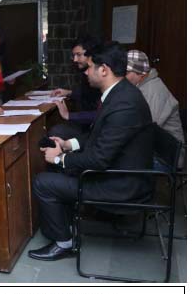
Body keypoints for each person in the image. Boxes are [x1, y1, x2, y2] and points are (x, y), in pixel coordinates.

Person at [28, 42, 153, 261]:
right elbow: (99, 136)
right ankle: (66, 227)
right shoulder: (120, 94)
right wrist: (68, 145)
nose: (85, 71)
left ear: (103, 70)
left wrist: (59, 158)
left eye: (89, 67)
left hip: (121, 184)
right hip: (120, 171)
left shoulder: (125, 104)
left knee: (42, 182)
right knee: (57, 171)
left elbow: (99, 159)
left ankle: (64, 242)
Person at [125, 50, 186, 168]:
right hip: (156, 149)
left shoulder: (154, 91)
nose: (122, 76)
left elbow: (145, 128)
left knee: (120, 163)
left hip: (168, 156)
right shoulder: (142, 86)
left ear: (140, 73)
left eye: (126, 72)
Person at [48, 35, 102, 139]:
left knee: (56, 131)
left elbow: (101, 114)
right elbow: (88, 94)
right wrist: (69, 93)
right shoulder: (85, 72)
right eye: (74, 55)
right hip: (89, 124)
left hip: (95, 128)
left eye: (79, 55)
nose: (75, 59)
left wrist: (69, 115)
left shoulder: (100, 78)